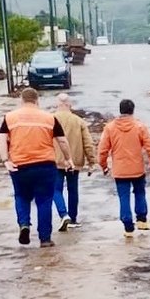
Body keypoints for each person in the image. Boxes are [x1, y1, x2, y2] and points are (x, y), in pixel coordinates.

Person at [0, 88, 74, 247]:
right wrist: (68, 159)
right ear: (37, 101)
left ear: (21, 100)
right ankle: (45, 238)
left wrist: (6, 160)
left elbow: (2, 138)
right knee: (44, 200)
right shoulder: (49, 118)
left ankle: (24, 224)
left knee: (21, 196)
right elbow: (62, 141)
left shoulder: (10, 117)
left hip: (20, 165)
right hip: (45, 165)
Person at [97, 99, 150, 238]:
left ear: (120, 110)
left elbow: (102, 150)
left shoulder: (110, 128)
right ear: (133, 110)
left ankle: (128, 227)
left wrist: (104, 166)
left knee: (123, 197)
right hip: (137, 168)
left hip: (120, 171)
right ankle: (142, 220)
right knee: (140, 193)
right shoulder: (140, 127)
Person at [52, 93, 96, 230]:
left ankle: (63, 214)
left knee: (55, 189)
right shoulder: (78, 121)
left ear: (57, 104)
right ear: (70, 104)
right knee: (73, 190)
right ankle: (73, 218)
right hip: (74, 161)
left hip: (55, 161)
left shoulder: (50, 119)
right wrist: (91, 161)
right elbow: (88, 142)